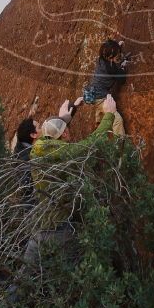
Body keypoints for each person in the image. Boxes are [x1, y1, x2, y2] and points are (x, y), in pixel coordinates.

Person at [22, 95, 119, 264]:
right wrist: (109, 115)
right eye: (66, 130)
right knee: (75, 264)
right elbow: (88, 145)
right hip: (58, 227)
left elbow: (54, 131)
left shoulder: (41, 145)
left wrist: (66, 116)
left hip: (43, 224)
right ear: (65, 133)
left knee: (25, 279)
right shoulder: (55, 152)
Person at [82, 39, 127, 135]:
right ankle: (120, 144)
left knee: (99, 109)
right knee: (116, 119)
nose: (119, 56)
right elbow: (122, 79)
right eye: (117, 55)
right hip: (100, 97)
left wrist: (117, 47)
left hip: (92, 93)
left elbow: (110, 53)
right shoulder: (110, 68)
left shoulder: (101, 58)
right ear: (110, 57)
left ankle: (99, 122)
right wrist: (123, 67)